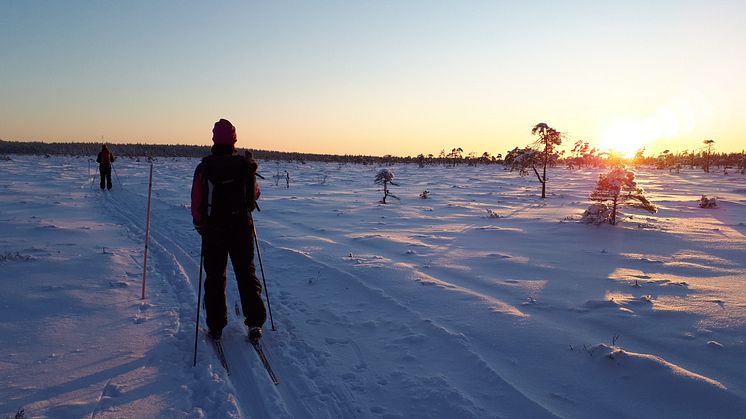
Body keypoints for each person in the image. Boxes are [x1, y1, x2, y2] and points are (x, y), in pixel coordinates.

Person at [190, 118, 266, 343]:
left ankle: (215, 327)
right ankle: (255, 323)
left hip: (213, 230)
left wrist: (199, 223)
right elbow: (255, 194)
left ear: (214, 139)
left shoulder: (205, 167)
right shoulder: (245, 165)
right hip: (242, 228)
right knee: (246, 273)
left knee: (215, 276)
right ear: (234, 139)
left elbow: (197, 199)